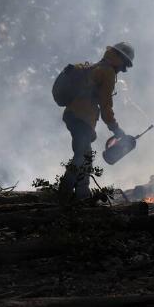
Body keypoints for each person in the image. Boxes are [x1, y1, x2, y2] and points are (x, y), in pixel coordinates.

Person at [58, 42, 134, 202]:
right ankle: (65, 192)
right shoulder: (107, 73)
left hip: (73, 115)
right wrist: (116, 129)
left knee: (84, 155)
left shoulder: (97, 67)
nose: (123, 69)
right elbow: (106, 105)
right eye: (125, 65)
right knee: (83, 156)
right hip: (81, 118)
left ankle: (81, 194)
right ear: (119, 58)